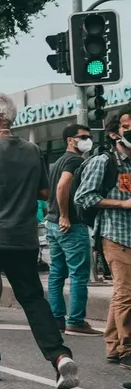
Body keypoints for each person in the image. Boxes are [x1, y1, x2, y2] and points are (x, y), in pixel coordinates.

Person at [0, 93, 78, 389]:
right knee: (33, 298)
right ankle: (59, 356)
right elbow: (45, 193)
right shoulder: (33, 150)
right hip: (23, 238)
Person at [75, 110, 131, 371]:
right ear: (114, 133)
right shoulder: (103, 162)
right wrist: (122, 204)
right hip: (114, 234)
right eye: (127, 127)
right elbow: (83, 197)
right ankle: (128, 349)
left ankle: (114, 346)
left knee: (123, 293)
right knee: (126, 293)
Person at [44, 124, 100, 336]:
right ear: (70, 140)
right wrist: (65, 215)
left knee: (57, 272)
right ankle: (76, 321)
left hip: (52, 223)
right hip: (70, 225)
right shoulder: (75, 160)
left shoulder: (58, 161)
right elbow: (62, 186)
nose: (88, 140)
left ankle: (57, 318)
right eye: (83, 137)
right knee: (78, 274)